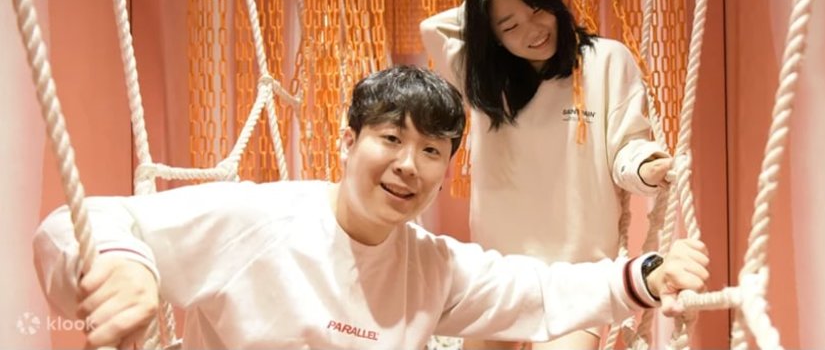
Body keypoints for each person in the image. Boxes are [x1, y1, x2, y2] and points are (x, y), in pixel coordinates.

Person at [33, 66, 709, 349]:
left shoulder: (430, 264)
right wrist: (124, 263)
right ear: (349, 140)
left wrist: (648, 274)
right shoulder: (259, 220)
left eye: (432, 150)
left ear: (447, 167)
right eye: (390, 138)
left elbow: (537, 288)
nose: (408, 164)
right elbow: (75, 225)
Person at [420, 0, 677, 350]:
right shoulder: (483, 78)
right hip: (501, 269)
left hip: (580, 270)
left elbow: (627, 147)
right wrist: (491, 1)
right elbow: (431, 28)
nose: (534, 30)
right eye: (510, 26)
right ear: (491, 35)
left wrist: (645, 167)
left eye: (538, 9)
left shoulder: (605, 60)